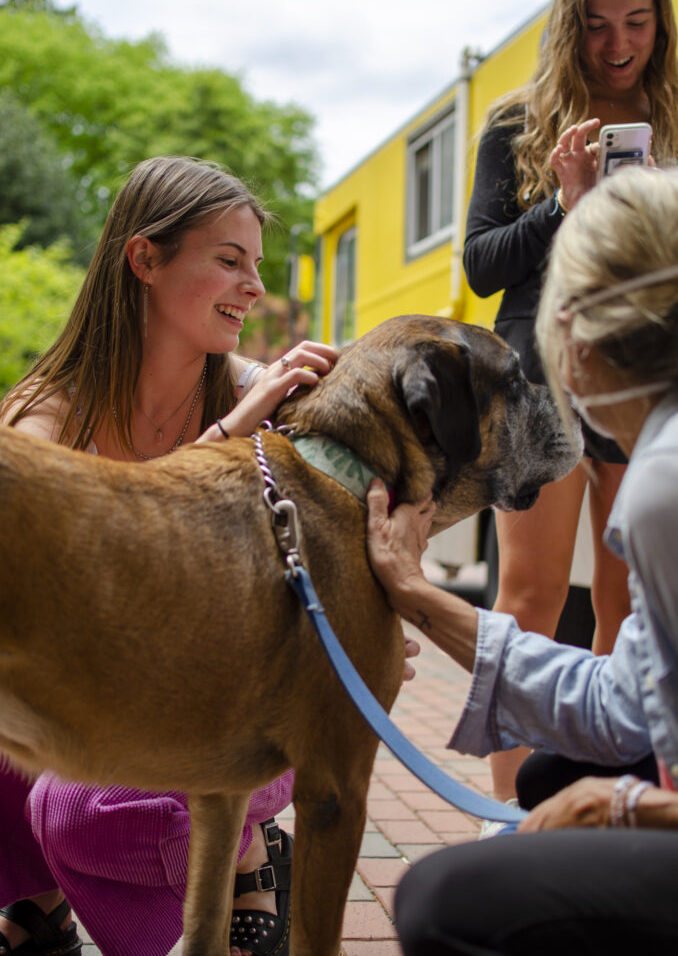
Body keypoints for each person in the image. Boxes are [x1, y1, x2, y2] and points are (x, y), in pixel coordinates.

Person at [0, 155, 339, 956]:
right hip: (95, 692)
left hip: (232, 708)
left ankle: (248, 856)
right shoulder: (48, 405)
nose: (254, 286)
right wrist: (226, 439)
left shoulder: (268, 394)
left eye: (255, 265)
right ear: (143, 259)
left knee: (78, 812)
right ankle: (39, 909)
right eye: (228, 260)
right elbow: (39, 529)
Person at [366, 163, 678, 954]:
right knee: (547, 775)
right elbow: (626, 704)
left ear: (573, 332)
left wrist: (630, 810)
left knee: (441, 901)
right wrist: (419, 596)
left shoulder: (664, 486)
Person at [462, 0, 678, 809]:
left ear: (661, 22)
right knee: (532, 593)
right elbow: (480, 267)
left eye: (636, 21)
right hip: (535, 377)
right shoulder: (515, 122)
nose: (618, 45)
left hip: (640, 373)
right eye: (596, 25)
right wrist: (563, 202)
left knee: (625, 608)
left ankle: (596, 802)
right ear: (568, 26)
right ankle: (511, 815)